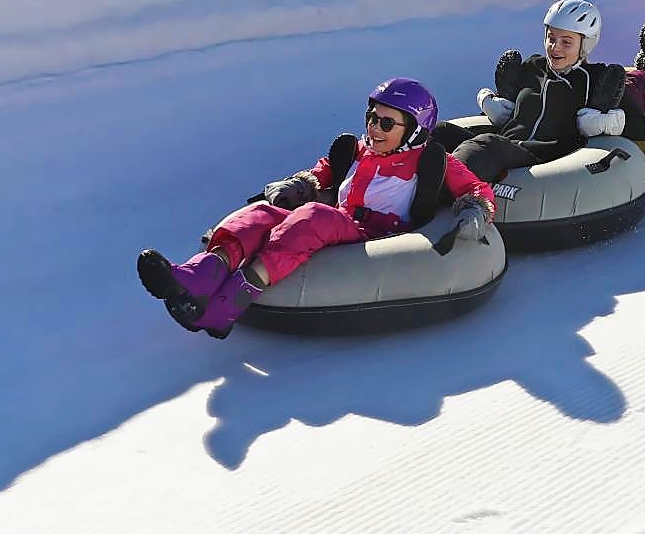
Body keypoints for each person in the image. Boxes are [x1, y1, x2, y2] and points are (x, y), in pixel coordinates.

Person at [137, 78, 495, 339]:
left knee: (314, 217)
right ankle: (198, 276)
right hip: (338, 221)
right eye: (372, 117)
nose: (375, 128)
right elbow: (321, 173)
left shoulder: (431, 160)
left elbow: (475, 189)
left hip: (375, 235)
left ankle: (226, 306)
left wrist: (474, 210)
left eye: (388, 123)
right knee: (259, 215)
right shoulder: (356, 150)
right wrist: (298, 185)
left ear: (414, 130)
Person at [442, 0, 629, 183]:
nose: (555, 48)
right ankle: (420, 188)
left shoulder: (597, 79)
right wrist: (495, 106)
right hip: (506, 145)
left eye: (566, 42)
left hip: (545, 159)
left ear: (585, 44)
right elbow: (517, 110)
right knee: (439, 131)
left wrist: (604, 123)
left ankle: (440, 199)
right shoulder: (533, 66)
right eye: (551, 38)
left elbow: (640, 127)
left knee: (486, 146)